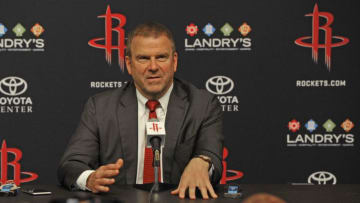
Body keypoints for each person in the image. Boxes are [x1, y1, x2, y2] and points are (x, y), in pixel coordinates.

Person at [57, 22, 223, 200]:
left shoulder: (202, 104)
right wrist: (89, 178)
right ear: (129, 64)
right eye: (143, 58)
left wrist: (203, 162)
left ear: (174, 61)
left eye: (161, 57)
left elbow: (211, 154)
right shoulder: (101, 107)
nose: (153, 67)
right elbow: (71, 164)